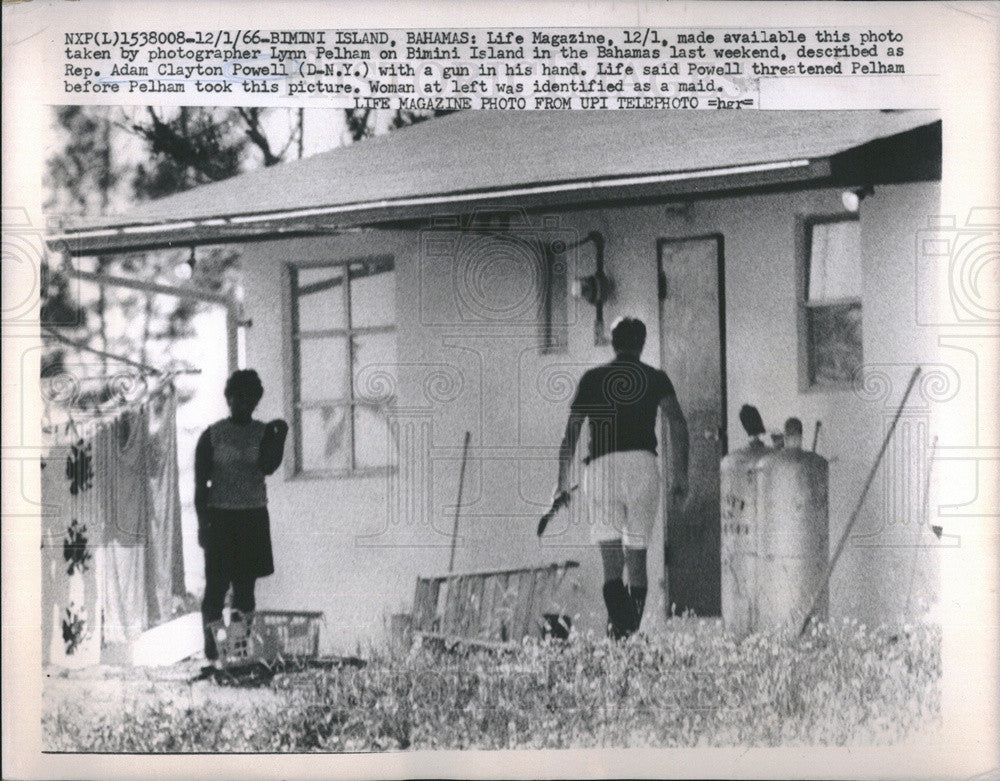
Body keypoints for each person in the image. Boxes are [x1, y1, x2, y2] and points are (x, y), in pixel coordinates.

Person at [554, 317, 689, 639]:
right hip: (642, 468)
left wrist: (561, 481)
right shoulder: (655, 378)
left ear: (613, 343)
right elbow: (678, 424)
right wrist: (680, 475)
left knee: (612, 567)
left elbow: (571, 432)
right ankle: (625, 638)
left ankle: (622, 638)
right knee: (638, 561)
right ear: (642, 344)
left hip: (601, 472)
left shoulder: (593, 378)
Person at [195, 369, 288, 671]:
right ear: (228, 398)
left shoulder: (262, 432)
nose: (242, 403)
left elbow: (269, 466)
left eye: (249, 398)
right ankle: (212, 648)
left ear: (255, 400)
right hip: (220, 519)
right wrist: (202, 524)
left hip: (252, 518)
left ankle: (235, 650)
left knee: (245, 591)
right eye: (237, 397)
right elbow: (200, 485)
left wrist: (281, 435)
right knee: (216, 589)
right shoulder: (212, 435)